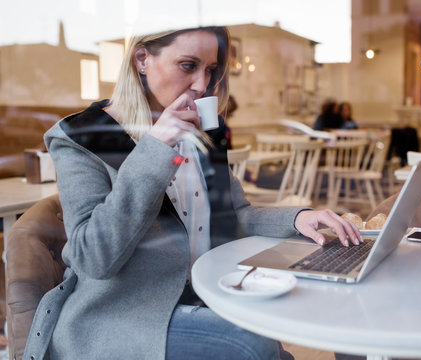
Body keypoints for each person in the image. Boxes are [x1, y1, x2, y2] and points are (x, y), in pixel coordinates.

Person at [23, 26, 362, 360]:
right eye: (188, 66)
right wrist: (156, 148)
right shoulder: (82, 137)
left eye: (210, 69)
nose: (202, 85)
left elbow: (236, 214)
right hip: (122, 315)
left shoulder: (203, 128)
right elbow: (93, 259)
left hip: (203, 294)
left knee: (333, 311)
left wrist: (301, 216)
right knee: (252, 346)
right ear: (142, 59)